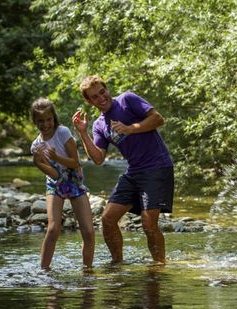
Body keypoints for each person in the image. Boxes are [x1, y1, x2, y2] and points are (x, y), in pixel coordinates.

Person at [72, 76, 174, 265]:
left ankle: (160, 266)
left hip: (157, 166)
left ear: (107, 89)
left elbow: (158, 119)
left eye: (102, 92)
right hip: (134, 171)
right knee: (108, 219)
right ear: (89, 101)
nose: (101, 98)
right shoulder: (99, 125)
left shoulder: (127, 100)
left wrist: (130, 129)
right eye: (94, 97)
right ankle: (117, 264)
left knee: (149, 224)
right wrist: (82, 133)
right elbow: (98, 158)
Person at [30, 98, 95, 270]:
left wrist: (56, 157)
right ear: (35, 122)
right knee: (53, 229)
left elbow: (75, 162)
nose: (45, 124)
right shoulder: (36, 146)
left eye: (49, 119)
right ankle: (43, 271)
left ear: (54, 118)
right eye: (41, 121)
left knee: (88, 231)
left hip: (74, 180)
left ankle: (87, 271)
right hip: (55, 184)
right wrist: (38, 163)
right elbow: (54, 174)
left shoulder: (63, 132)